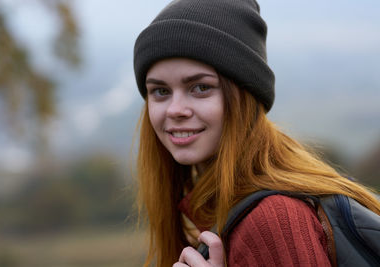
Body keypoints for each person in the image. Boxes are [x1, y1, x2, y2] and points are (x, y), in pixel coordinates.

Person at [133, 0, 380, 266]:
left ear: (246, 96)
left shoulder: (272, 221)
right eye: (160, 91)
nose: (175, 109)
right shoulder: (223, 211)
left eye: (200, 87)